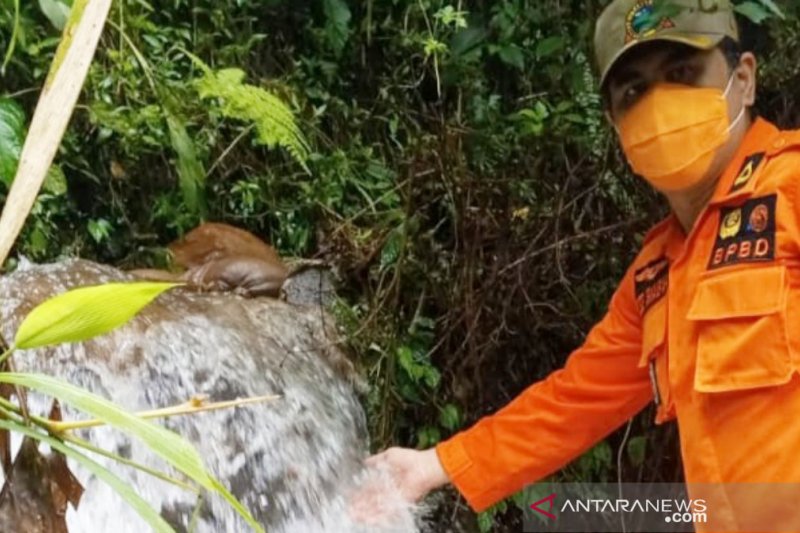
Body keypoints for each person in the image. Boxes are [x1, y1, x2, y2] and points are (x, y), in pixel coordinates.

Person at [366, 0, 800, 530]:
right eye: (634, 91)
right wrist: (435, 464)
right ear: (616, 123)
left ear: (745, 78)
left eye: (684, 73)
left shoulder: (790, 188)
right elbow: (573, 402)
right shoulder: (657, 273)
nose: (660, 103)